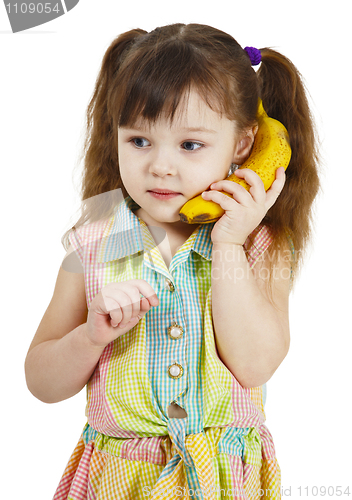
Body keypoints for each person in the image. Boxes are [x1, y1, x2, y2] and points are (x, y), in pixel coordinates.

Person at [25, 23, 320, 500]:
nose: (160, 166)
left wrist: (227, 244)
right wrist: (90, 336)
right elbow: (40, 379)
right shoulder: (100, 232)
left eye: (190, 145)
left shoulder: (257, 242)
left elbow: (255, 364)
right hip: (119, 481)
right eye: (139, 141)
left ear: (242, 145)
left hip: (223, 481)